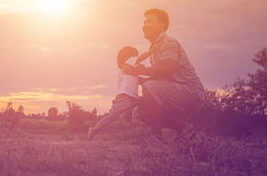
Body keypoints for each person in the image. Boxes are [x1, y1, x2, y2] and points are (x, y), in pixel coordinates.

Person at [123, 9, 205, 141]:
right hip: (177, 94)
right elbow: (157, 79)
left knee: (150, 87)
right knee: (140, 112)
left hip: (191, 92)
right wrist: (134, 78)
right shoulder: (154, 48)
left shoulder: (168, 42)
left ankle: (157, 137)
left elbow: (168, 67)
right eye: (144, 22)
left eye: (149, 21)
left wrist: (138, 71)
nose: (144, 25)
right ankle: (183, 128)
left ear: (162, 25)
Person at [87, 46, 143, 140]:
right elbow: (140, 62)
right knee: (112, 116)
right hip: (124, 97)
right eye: (135, 57)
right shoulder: (126, 67)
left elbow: (138, 79)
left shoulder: (131, 70)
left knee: (141, 107)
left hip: (133, 97)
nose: (137, 59)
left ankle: (134, 125)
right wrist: (152, 51)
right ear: (128, 58)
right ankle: (93, 130)